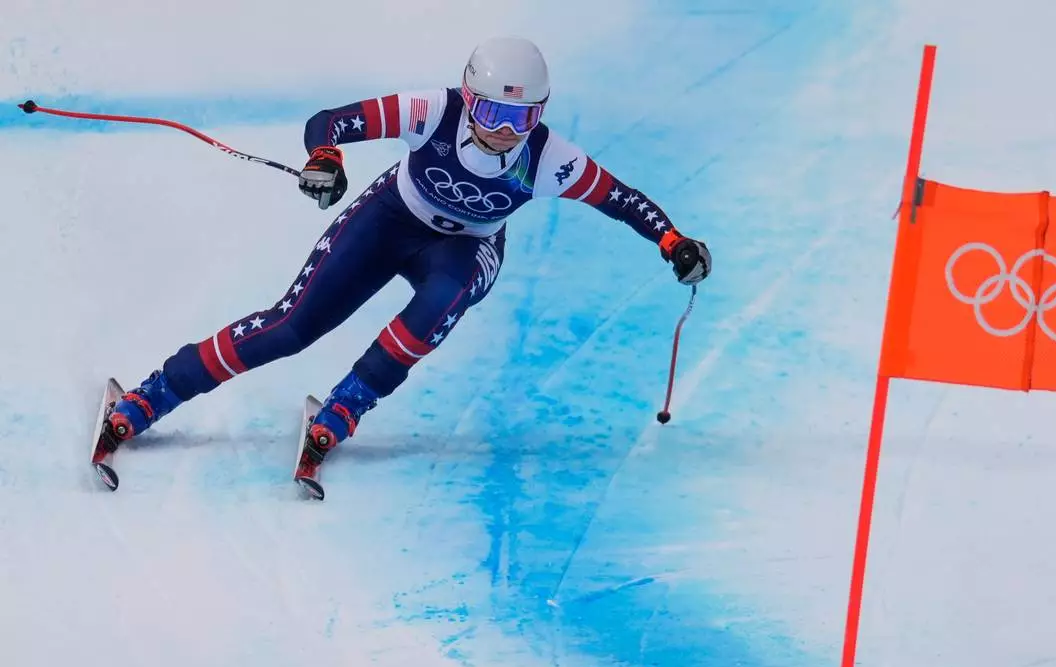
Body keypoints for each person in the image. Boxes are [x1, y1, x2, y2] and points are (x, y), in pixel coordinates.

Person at [93, 35, 712, 476]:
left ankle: (347, 406)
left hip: (467, 247)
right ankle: (154, 395)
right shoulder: (431, 109)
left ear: (540, 115)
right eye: (493, 111)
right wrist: (325, 161)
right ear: (470, 99)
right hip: (393, 216)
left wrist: (672, 241)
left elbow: (620, 199)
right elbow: (330, 122)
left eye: (520, 117)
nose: (503, 129)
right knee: (291, 327)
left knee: (444, 296)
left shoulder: (550, 156)